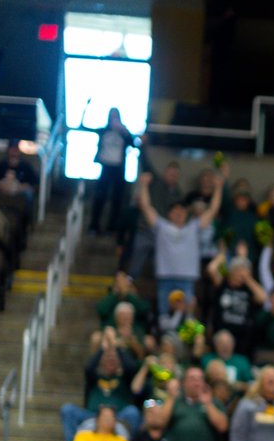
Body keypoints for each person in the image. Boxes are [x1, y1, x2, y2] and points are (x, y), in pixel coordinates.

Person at [136, 168, 224, 317]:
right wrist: (143, 185)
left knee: (187, 316)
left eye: (181, 211)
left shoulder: (194, 227)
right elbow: (146, 207)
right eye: (175, 211)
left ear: (186, 213)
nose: (178, 214)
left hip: (187, 278)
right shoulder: (161, 226)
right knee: (164, 314)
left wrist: (218, 188)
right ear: (169, 214)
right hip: (165, 277)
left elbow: (212, 209)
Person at [87, 108, 136, 235]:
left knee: (117, 199)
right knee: (100, 197)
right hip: (106, 167)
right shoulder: (104, 130)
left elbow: (133, 143)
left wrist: (123, 131)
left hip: (118, 169)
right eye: (112, 116)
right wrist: (87, 107)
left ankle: (112, 227)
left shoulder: (123, 131)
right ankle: (94, 225)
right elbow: (84, 126)